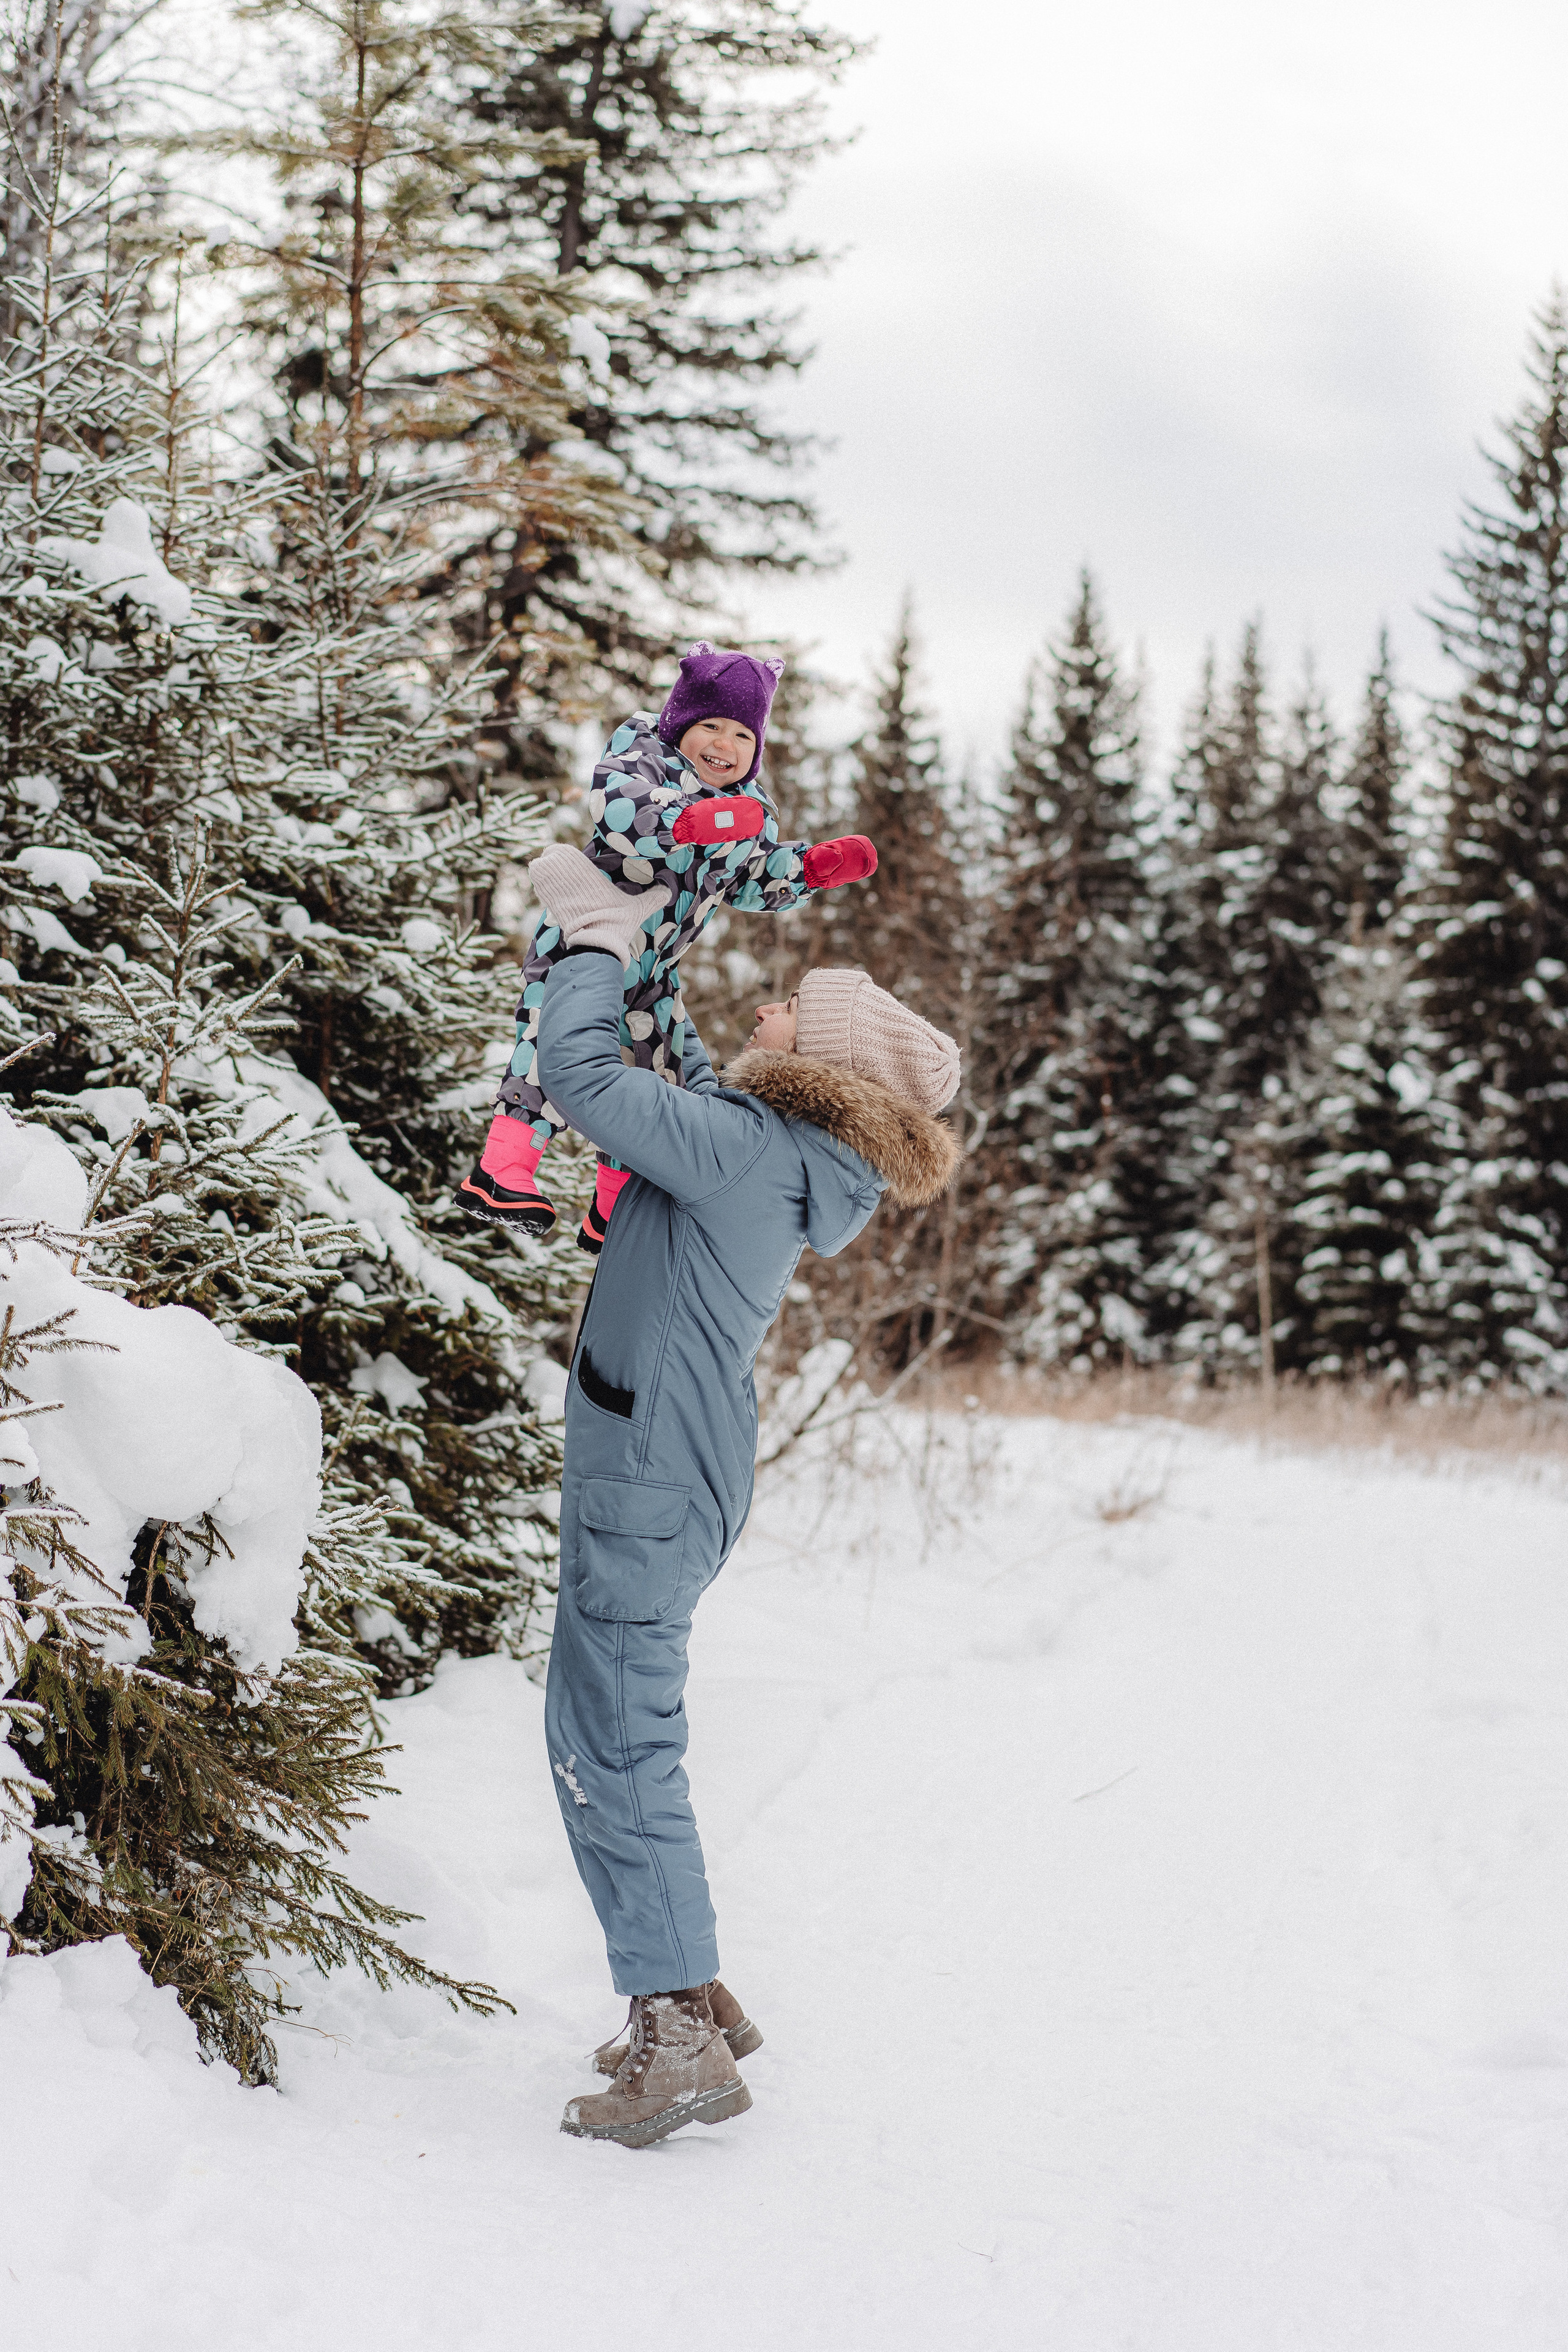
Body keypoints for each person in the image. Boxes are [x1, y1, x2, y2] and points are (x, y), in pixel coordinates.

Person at [528, 842, 962, 2149]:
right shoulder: (769, 1152)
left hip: (654, 1473)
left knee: (615, 1745)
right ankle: (691, 1992)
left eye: (788, 1007)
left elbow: (579, 1077)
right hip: (671, 1463)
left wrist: (599, 942)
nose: (765, 1006)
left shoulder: (738, 1148)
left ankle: (675, 2027)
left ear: (815, 1066)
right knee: (603, 1730)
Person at [461, 642, 876, 1255]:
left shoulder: (750, 808)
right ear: (680, 722)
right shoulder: (641, 752)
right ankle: (502, 1171)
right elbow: (618, 812)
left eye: (741, 734)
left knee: (659, 1080)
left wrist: (811, 869)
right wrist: (685, 823)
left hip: (654, 976)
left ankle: (613, 1207)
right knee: (551, 1047)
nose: (723, 744)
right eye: (709, 725)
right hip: (584, 943)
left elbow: (750, 881)